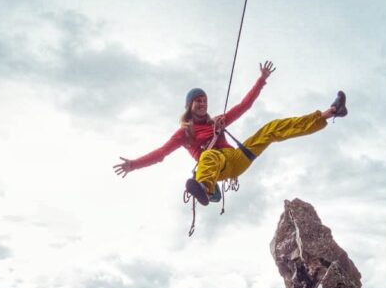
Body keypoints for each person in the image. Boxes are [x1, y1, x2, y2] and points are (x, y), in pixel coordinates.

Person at [113, 60, 348, 205]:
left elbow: (244, 106)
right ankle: (207, 189)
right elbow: (162, 153)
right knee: (208, 156)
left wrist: (261, 80)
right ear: (189, 106)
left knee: (271, 129)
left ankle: (331, 112)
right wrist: (134, 164)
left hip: (236, 160)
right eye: (197, 101)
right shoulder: (184, 133)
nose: (202, 104)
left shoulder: (218, 121)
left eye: (204, 100)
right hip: (216, 168)